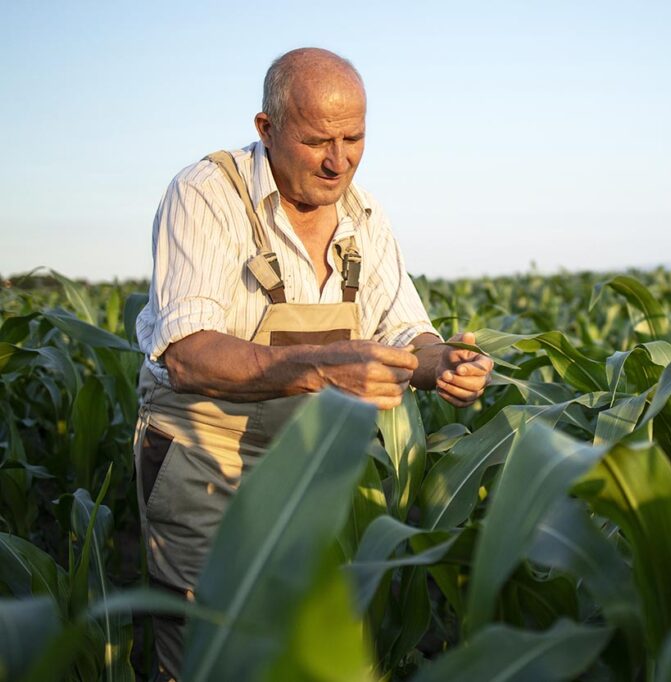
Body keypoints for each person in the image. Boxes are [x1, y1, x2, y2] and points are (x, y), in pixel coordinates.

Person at [132, 47, 492, 678]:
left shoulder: (365, 218)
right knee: (208, 646)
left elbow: (408, 331)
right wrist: (325, 366)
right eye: (317, 140)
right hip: (204, 461)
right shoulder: (207, 195)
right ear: (266, 129)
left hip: (310, 469)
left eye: (354, 138)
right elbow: (188, 355)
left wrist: (444, 363)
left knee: (302, 645)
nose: (338, 160)